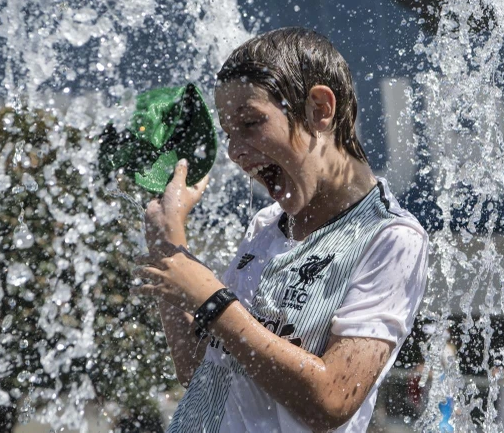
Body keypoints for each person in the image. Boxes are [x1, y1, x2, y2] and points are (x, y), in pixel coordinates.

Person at [132, 27, 430, 433]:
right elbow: (200, 370)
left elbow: (332, 399)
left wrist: (212, 299)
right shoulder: (266, 225)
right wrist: (170, 244)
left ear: (320, 109)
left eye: (251, 123)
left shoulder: (390, 239)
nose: (235, 152)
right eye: (229, 134)